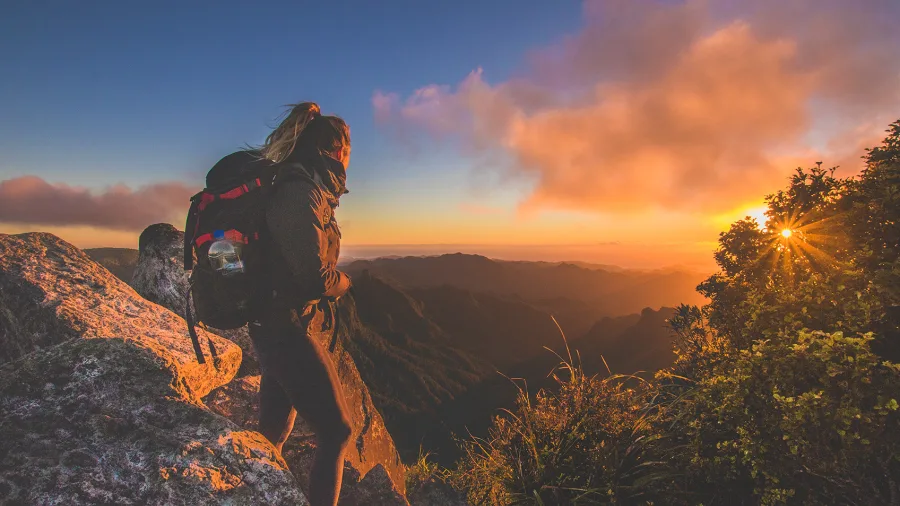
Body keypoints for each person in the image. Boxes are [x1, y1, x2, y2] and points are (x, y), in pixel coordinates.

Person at [214, 102, 353, 506]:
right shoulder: (299, 192)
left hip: (276, 324)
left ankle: (240, 491)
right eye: (348, 150)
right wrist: (346, 281)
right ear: (335, 151)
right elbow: (314, 276)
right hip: (283, 329)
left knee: (274, 428)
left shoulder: (303, 185)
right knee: (337, 431)